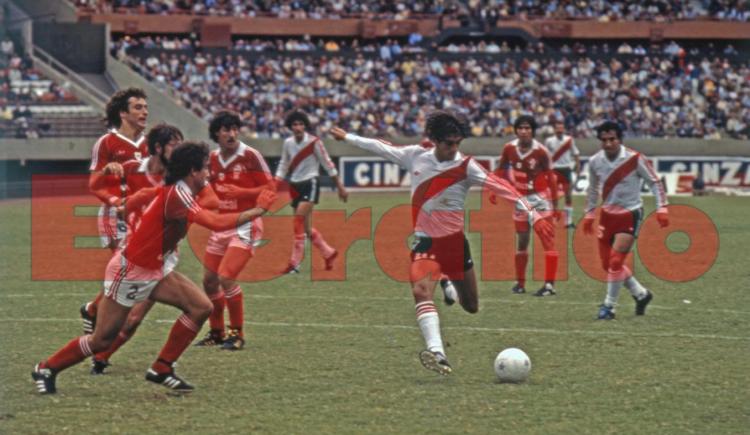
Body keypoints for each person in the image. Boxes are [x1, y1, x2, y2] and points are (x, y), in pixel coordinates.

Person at [32, 142, 276, 394]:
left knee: (201, 307)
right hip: (131, 271)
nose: (209, 173)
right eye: (205, 168)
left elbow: (209, 202)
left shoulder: (181, 189)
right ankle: (47, 367)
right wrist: (258, 210)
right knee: (102, 339)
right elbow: (215, 222)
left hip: (154, 269)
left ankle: (162, 368)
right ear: (192, 171)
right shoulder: (178, 194)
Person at [330, 110, 553, 375]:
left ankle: (448, 283)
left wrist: (535, 215)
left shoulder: (466, 165)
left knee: (471, 306)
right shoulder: (415, 155)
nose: (454, 149)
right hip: (425, 244)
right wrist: (349, 137)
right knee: (421, 292)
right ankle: (438, 352)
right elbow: (380, 147)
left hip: (456, 245)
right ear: (435, 140)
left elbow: (502, 187)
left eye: (458, 143)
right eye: (449, 143)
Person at [86, 124, 219, 374]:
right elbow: (101, 186)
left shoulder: (181, 176)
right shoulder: (132, 169)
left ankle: (101, 351)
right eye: (173, 143)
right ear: (158, 148)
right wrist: (109, 177)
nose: (178, 148)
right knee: (125, 306)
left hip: (163, 254)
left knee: (134, 318)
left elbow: (212, 200)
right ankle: (99, 343)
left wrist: (180, 205)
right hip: (135, 248)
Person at [194, 111, 274, 350]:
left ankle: (237, 334)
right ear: (216, 134)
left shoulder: (250, 156)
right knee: (209, 281)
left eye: (234, 129)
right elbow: (204, 187)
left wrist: (242, 194)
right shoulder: (212, 159)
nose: (231, 134)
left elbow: (270, 188)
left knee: (226, 278)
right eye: (225, 129)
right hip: (221, 224)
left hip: (246, 224)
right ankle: (217, 332)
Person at [583, 121, 668, 320]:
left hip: (630, 214)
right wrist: (589, 213)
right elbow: (593, 188)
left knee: (615, 261)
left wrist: (662, 208)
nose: (608, 143)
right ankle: (641, 294)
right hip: (607, 215)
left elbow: (655, 182)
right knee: (608, 265)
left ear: (619, 139)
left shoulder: (635, 159)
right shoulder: (595, 161)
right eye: (604, 140)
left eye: (612, 139)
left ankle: (609, 307)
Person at [81, 88, 150, 335]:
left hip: (142, 217)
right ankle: (103, 329)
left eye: (145, 107)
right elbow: (93, 184)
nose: (145, 111)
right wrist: (115, 199)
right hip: (116, 215)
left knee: (129, 270)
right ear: (123, 113)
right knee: (127, 266)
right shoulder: (106, 142)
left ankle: (94, 309)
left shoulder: (150, 143)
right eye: (138, 107)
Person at [275, 110, 348, 274]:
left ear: (305, 126)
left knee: (298, 221)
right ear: (290, 127)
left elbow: (327, 164)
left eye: (301, 124)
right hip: (295, 185)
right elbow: (283, 164)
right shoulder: (288, 143)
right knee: (305, 229)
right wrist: (275, 182)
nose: (298, 127)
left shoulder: (314, 142)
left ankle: (295, 264)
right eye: (294, 124)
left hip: (311, 182)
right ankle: (328, 253)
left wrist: (340, 186)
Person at [496, 116, 560, 297]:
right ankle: (520, 283)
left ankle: (549, 285)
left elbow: (551, 178)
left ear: (533, 131)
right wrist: (493, 190)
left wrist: (555, 205)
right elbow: (500, 169)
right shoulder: (509, 148)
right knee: (522, 241)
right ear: (516, 131)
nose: (524, 131)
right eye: (521, 128)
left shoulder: (541, 151)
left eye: (527, 128)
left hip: (540, 200)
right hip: (520, 201)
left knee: (547, 241)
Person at [544, 119, 580, 228]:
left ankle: (568, 222)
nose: (559, 130)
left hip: (566, 170)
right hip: (554, 170)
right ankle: (552, 218)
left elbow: (576, 153)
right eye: (557, 128)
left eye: (561, 128)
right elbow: (545, 155)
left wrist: (577, 166)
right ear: (554, 129)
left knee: (568, 195)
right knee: (552, 196)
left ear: (564, 129)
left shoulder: (569, 140)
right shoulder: (549, 141)